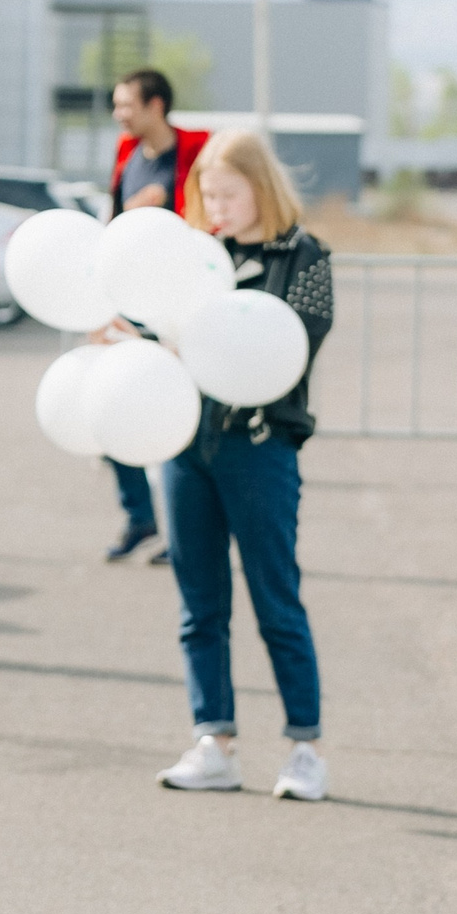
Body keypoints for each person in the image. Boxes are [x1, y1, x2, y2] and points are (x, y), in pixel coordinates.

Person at [149, 129, 333, 804]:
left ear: (263, 187)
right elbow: (165, 335)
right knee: (199, 601)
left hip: (259, 445)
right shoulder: (196, 258)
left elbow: (300, 341)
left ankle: (305, 746)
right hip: (186, 440)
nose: (215, 205)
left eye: (228, 191)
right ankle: (213, 741)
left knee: (275, 597)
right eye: (206, 192)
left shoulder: (303, 255)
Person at [102, 68, 210, 564]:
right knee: (111, 412)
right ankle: (141, 518)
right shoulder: (126, 157)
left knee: (172, 419)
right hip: (128, 305)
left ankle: (180, 531)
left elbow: (211, 225)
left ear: (156, 105)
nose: (119, 114)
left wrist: (169, 212)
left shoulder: (196, 152)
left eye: (127, 105)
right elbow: (112, 231)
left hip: (177, 305)